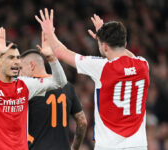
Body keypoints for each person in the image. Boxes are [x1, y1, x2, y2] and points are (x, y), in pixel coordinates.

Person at [35, 9, 149, 150]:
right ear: (125, 44)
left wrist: (49, 32)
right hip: (138, 144)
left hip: (109, 145)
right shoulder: (143, 65)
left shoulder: (101, 68)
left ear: (105, 47)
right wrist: (104, 39)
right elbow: (126, 54)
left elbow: (60, 52)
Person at [0, 27, 67, 150]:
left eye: (18, 58)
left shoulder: (26, 85)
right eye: (11, 58)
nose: (17, 62)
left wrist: (52, 59)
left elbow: (60, 82)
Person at [19, 48, 87, 150]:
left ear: (32, 66)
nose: (19, 74)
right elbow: (82, 122)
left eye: (21, 69)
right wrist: (75, 147)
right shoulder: (67, 86)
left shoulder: (27, 89)